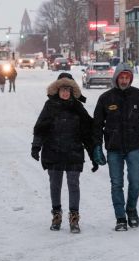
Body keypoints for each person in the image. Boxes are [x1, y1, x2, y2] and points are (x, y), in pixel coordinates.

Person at [92, 63, 139, 232]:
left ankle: (131, 209)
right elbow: (97, 125)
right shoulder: (105, 98)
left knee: (135, 181)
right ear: (116, 78)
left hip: (133, 147)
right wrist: (97, 146)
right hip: (113, 148)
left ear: (130, 78)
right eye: (121, 77)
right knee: (116, 184)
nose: (124, 80)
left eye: (127, 77)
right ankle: (120, 218)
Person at [31, 72, 97, 234]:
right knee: (55, 184)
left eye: (68, 89)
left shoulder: (79, 109)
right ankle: (56, 215)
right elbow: (40, 128)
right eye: (62, 89)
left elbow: (87, 135)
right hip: (53, 151)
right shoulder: (50, 106)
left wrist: (93, 156)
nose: (65, 93)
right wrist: (36, 147)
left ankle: (74, 218)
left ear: (72, 91)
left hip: (74, 152)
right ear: (57, 90)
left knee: (73, 184)